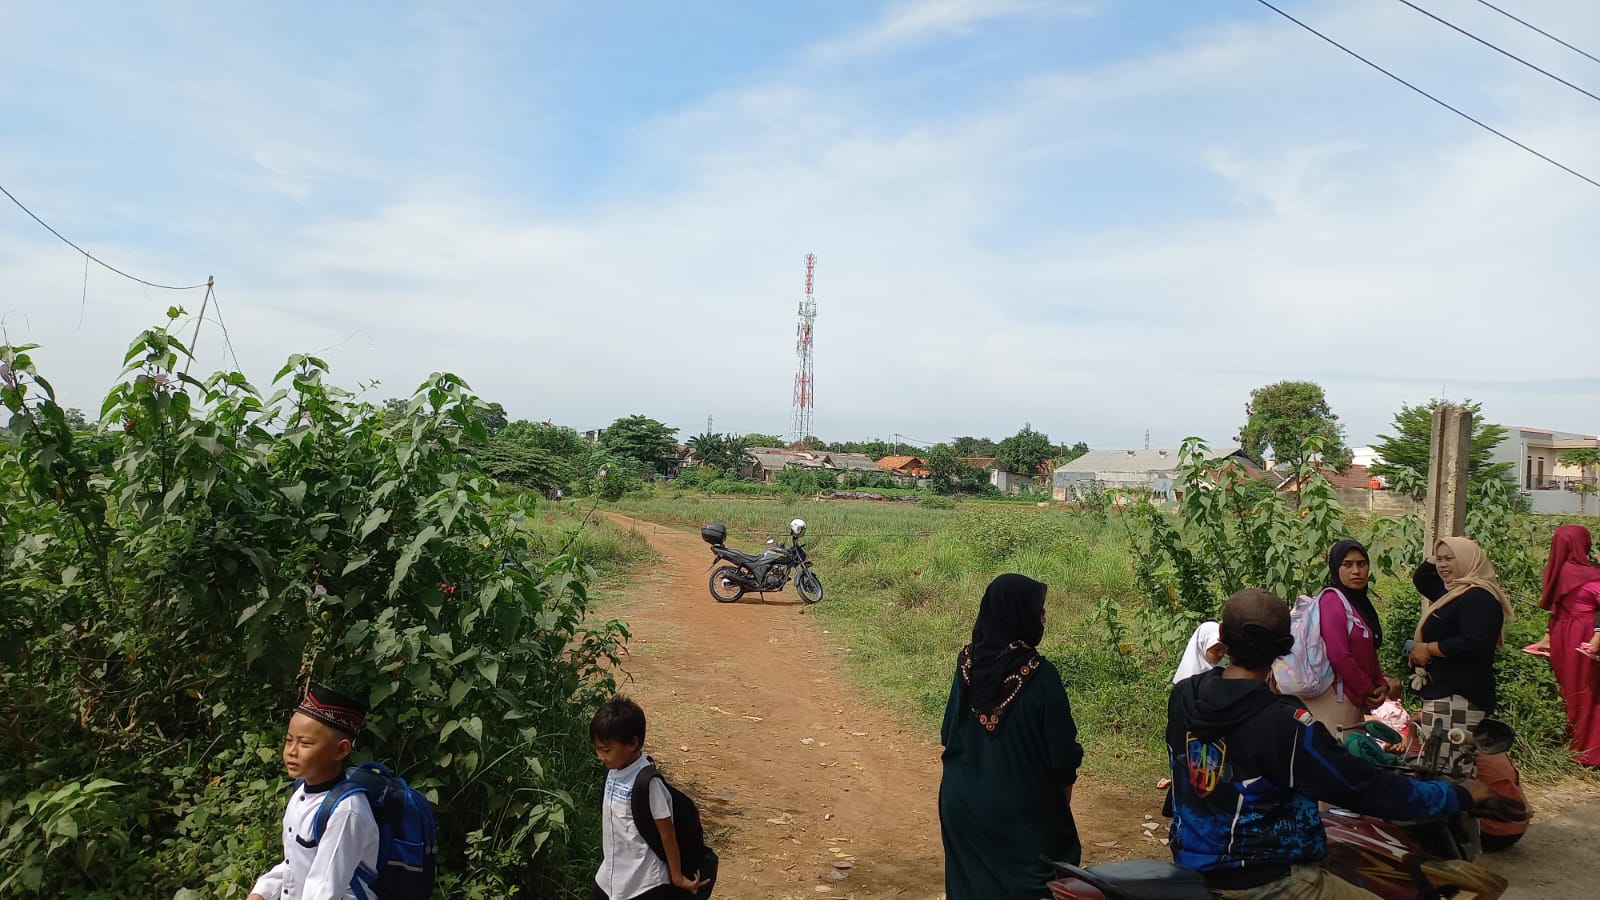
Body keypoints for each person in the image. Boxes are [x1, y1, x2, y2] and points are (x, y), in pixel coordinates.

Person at [1168, 589, 1491, 899]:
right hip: (1267, 880)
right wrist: (1457, 794)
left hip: (1193, 865)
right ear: (1285, 646)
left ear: (1222, 634)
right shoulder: (1287, 725)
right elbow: (1367, 790)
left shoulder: (1185, 696)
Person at [939, 573, 1083, 900]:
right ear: (1021, 615)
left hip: (962, 805)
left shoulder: (966, 664)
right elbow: (1063, 757)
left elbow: (948, 733)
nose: (1043, 618)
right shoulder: (1042, 675)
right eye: (1039, 610)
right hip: (1023, 814)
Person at [1409, 536, 1529, 849]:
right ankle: (1444, 839)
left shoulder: (1480, 597)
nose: (1444, 566)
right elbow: (1422, 578)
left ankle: (1456, 844)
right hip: (1445, 695)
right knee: (1438, 766)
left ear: (1469, 559)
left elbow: (1476, 641)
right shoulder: (1455, 593)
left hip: (1461, 696)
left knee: (1453, 771)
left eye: (1451, 558)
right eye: (1441, 560)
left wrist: (1429, 649)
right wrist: (1442, 551)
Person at [249, 684, 379, 900]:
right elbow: (295, 864)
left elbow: (324, 889)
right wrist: (262, 892)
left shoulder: (346, 812)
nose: (291, 751)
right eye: (289, 740)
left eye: (305, 743)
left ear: (341, 750)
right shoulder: (301, 791)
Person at [590, 695, 707, 900]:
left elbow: (667, 834)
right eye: (598, 749)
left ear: (632, 744)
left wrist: (677, 877)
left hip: (643, 883)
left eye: (606, 750)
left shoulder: (649, 784)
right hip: (610, 876)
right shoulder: (612, 771)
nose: (601, 756)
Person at [1299, 541, 1388, 736]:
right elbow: (1339, 654)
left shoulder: (1359, 604)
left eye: (1362, 564)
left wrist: (1381, 683)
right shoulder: (1332, 601)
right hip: (1336, 701)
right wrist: (1367, 688)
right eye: (1347, 565)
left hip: (1354, 700)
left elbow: (1368, 650)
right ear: (1335, 568)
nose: (1356, 571)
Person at [1540, 524, 1600, 766]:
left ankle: (1573, 742)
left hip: (1562, 633)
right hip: (1584, 632)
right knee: (1589, 689)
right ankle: (1590, 749)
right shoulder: (1586, 574)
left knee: (1570, 687)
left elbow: (1554, 607)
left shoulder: (1556, 571)